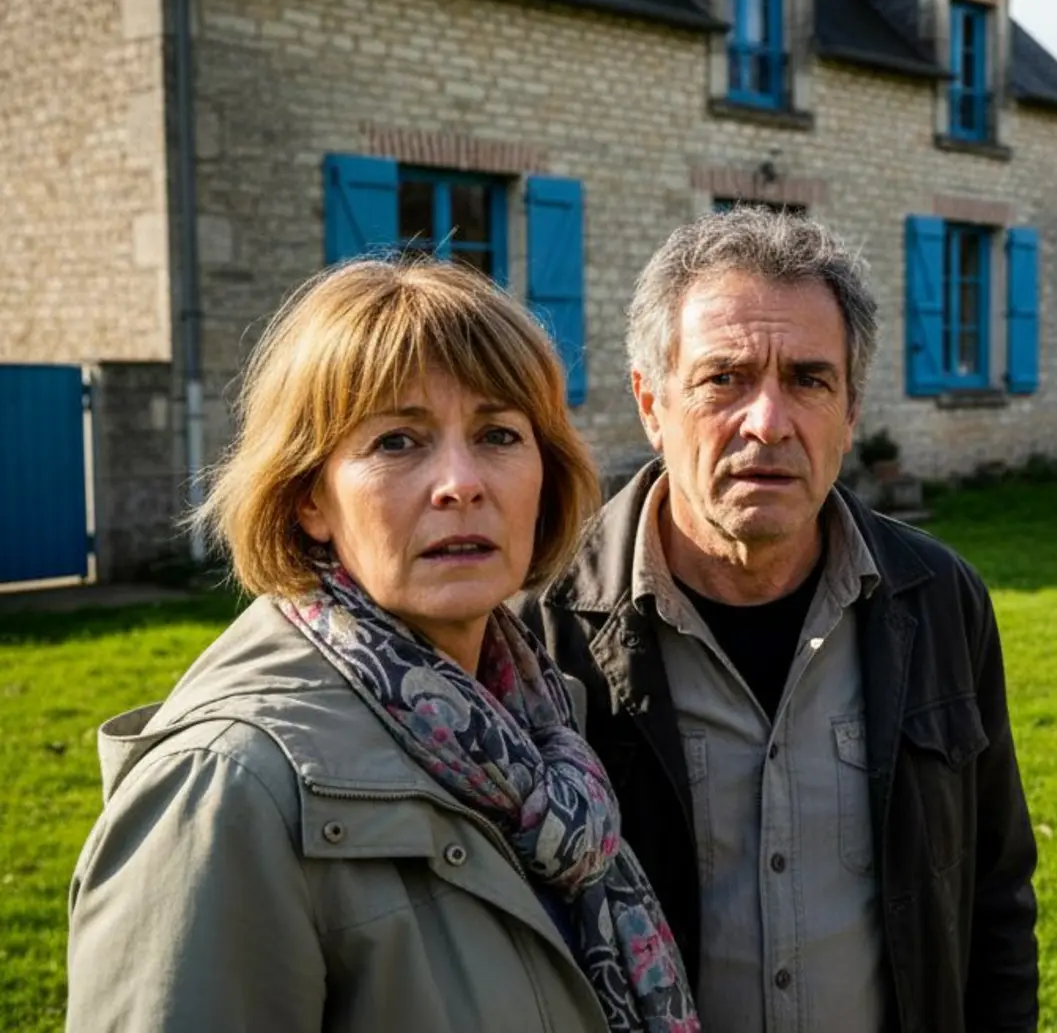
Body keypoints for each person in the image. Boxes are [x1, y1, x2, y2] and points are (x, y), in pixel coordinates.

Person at [68, 258, 698, 1033]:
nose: (461, 483)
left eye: (498, 433)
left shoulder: (539, 723)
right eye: (398, 440)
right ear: (308, 498)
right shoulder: (227, 787)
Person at [516, 206, 1039, 1033]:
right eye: (723, 378)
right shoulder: (539, 627)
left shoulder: (940, 600)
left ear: (851, 410)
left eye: (808, 378)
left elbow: (996, 896)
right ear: (652, 403)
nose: (768, 421)